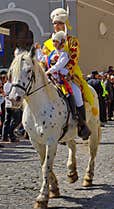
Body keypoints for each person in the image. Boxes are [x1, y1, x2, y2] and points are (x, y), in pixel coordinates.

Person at [37, 7, 93, 140]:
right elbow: (43, 60)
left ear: (65, 24)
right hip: (51, 75)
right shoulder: (47, 44)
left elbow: (74, 58)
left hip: (68, 74)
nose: (57, 26)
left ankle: (82, 124)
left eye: (60, 23)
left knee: (77, 93)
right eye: (55, 23)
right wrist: (44, 72)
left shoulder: (72, 41)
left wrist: (67, 72)